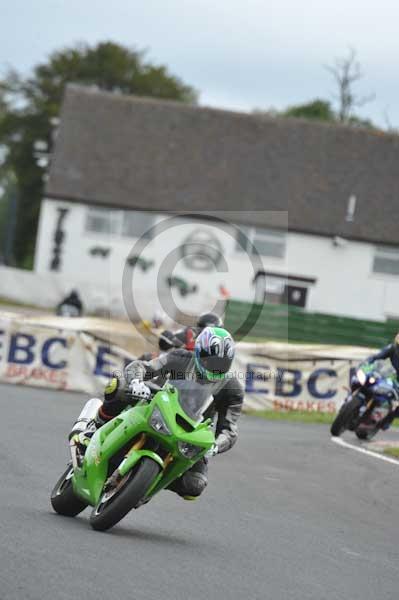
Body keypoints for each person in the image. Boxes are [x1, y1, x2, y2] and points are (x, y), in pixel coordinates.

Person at [94, 326, 243, 500]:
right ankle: (96, 424)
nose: (214, 367)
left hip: (191, 433)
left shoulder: (232, 389)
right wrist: (137, 382)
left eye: (221, 364)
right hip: (159, 405)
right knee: (118, 386)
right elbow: (143, 366)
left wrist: (216, 445)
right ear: (199, 351)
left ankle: (147, 483)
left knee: (194, 485)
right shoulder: (180, 358)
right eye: (210, 360)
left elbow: (229, 429)